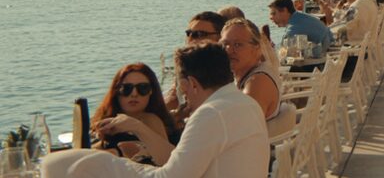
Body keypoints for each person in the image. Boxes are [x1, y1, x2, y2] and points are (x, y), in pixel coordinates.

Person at [45, 43, 269, 178]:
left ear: (191, 84)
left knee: (64, 164)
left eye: (183, 89)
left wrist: (108, 163)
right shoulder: (244, 104)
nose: (184, 96)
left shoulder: (212, 114)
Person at [91, 64, 177, 161]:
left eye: (142, 88)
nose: (134, 94)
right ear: (116, 91)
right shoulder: (104, 121)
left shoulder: (152, 120)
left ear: (151, 91)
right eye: (126, 88)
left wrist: (136, 126)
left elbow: (168, 160)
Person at [220, 18, 280, 122]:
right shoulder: (249, 75)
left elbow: (242, 127)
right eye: (225, 44)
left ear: (257, 49)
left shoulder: (257, 82)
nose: (229, 50)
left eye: (238, 44)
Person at [267, 0, 334, 55]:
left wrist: (268, 47)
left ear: (285, 10)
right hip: (330, 46)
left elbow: (282, 53)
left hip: (326, 56)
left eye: (273, 13)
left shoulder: (294, 27)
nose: (271, 17)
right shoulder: (300, 17)